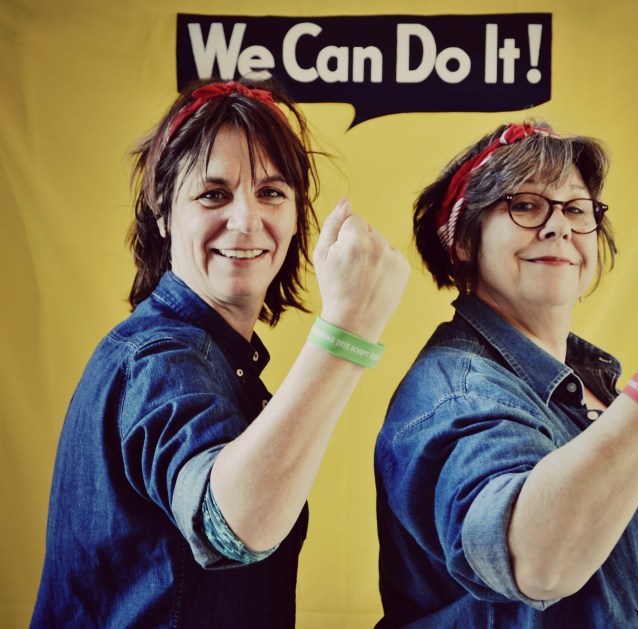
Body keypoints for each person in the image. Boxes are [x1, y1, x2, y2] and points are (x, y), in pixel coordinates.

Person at [32, 78, 409, 627]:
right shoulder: (158, 359)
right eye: (213, 194)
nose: (246, 220)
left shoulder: (216, 358)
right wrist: (348, 329)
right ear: (163, 211)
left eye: (271, 192)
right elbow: (232, 527)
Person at [374, 122, 638, 627]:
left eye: (576, 208)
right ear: (464, 242)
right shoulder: (458, 388)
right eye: (525, 205)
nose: (559, 227)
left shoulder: (594, 390)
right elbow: (537, 563)